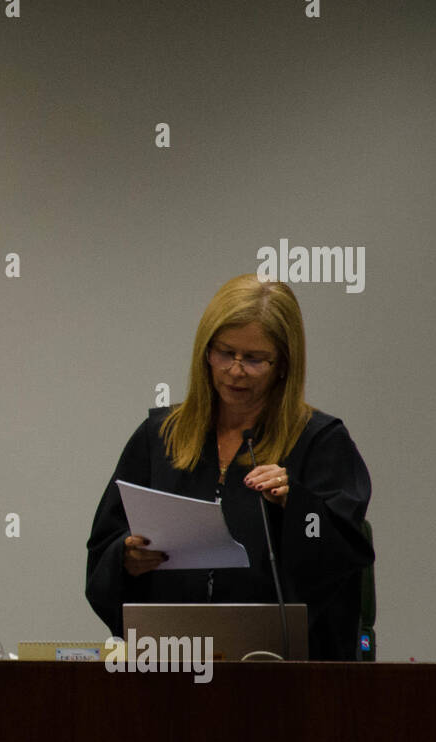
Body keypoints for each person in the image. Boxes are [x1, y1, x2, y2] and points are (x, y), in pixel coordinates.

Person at [85, 275, 373, 660]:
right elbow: (105, 545)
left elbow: (344, 559)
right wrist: (125, 559)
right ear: (205, 352)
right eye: (224, 353)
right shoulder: (159, 437)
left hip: (276, 670)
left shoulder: (320, 442)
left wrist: (298, 505)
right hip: (172, 659)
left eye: (254, 359)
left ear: (284, 363)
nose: (235, 371)